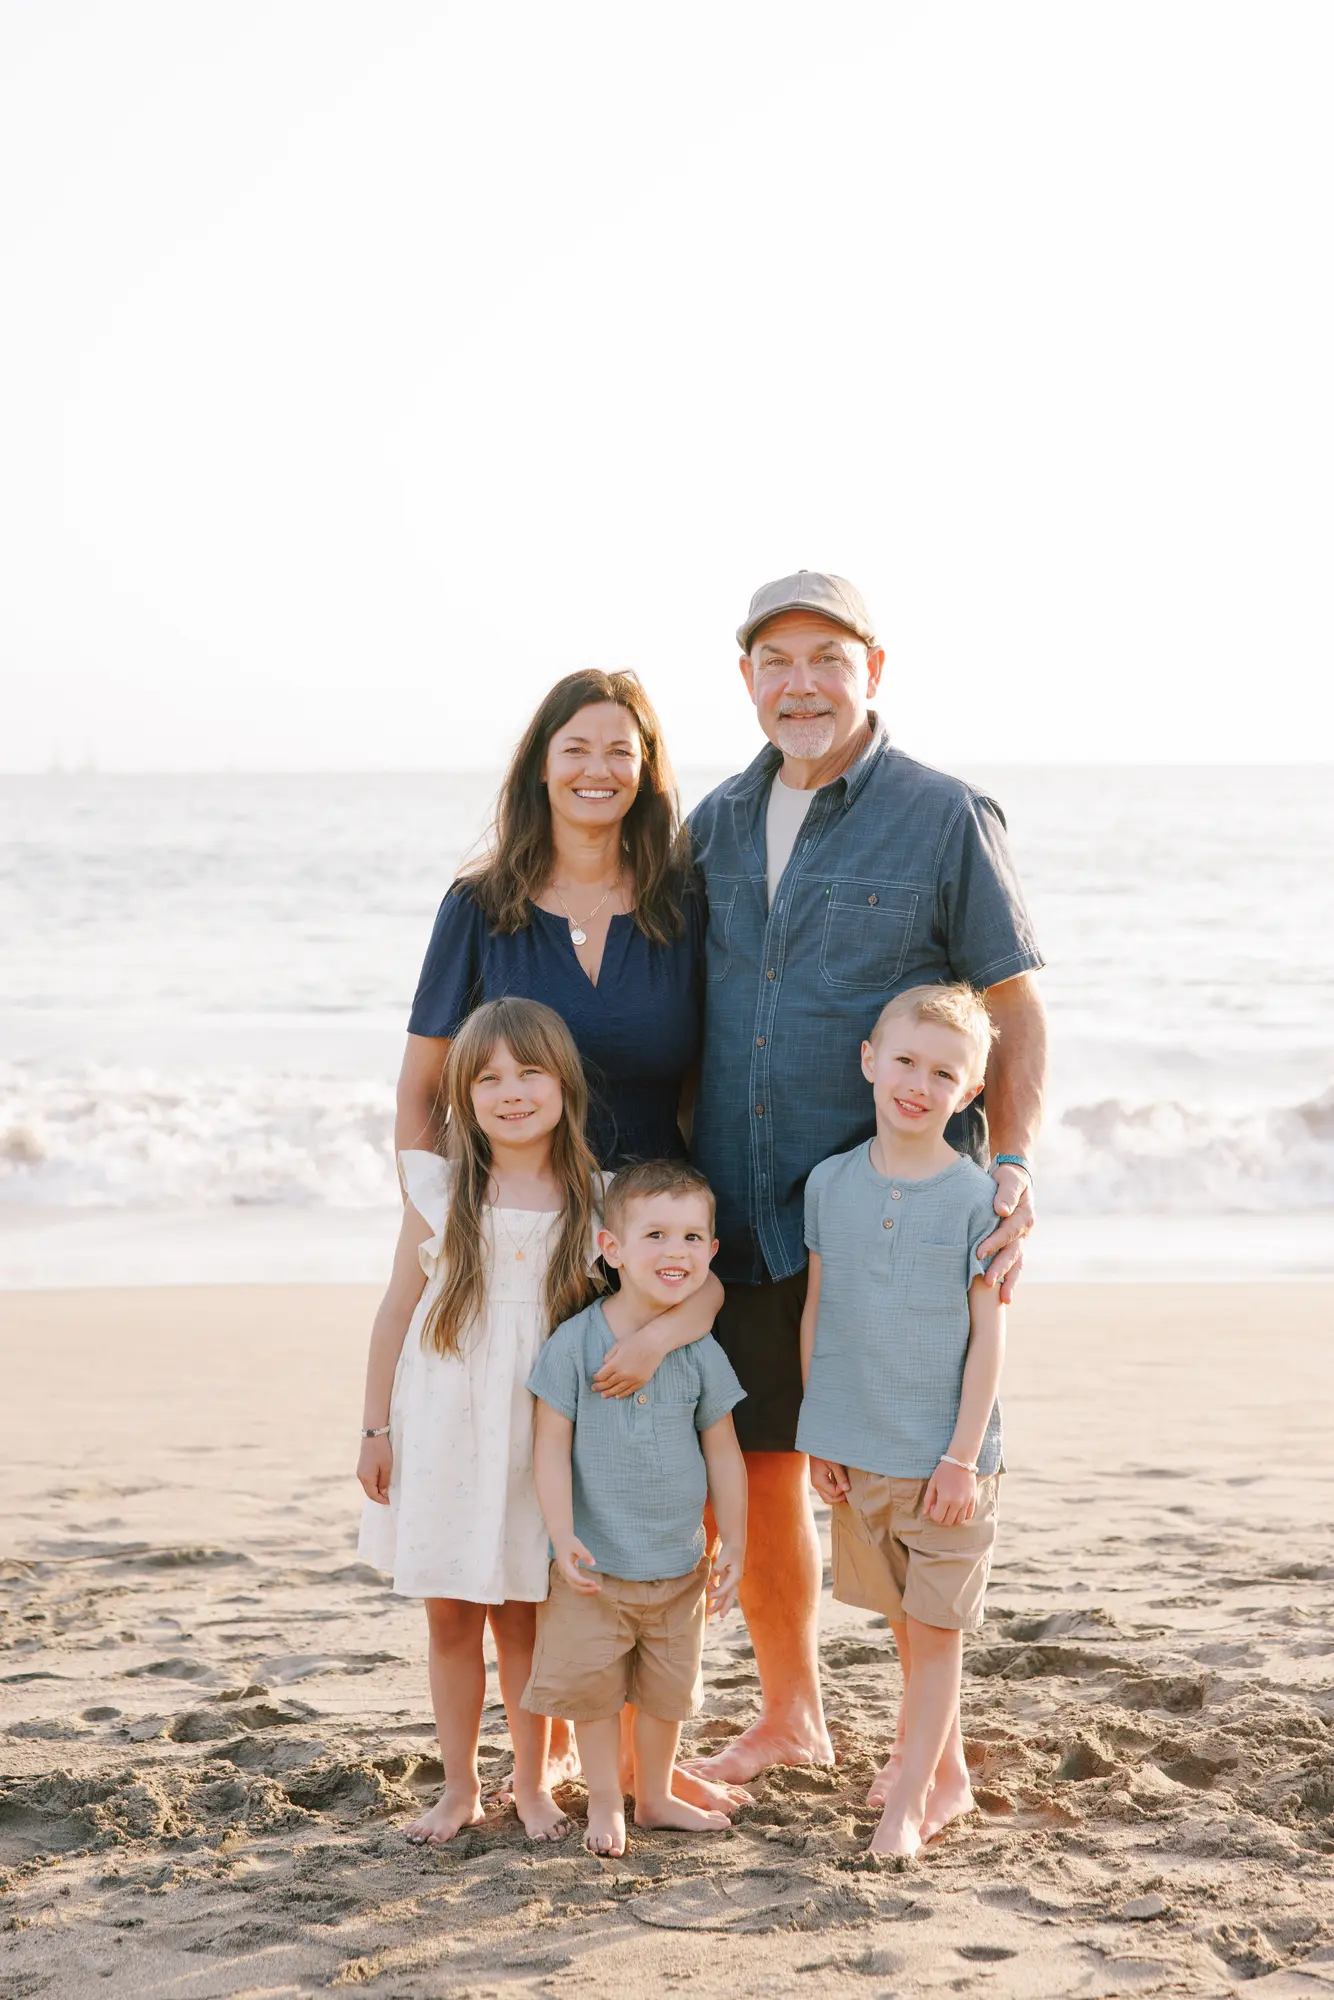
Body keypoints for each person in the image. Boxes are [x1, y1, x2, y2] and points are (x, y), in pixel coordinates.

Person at [686, 569, 1046, 1784]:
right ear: (745, 680)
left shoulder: (944, 815)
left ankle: (929, 1751)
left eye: (824, 658)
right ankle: (791, 1712)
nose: (799, 682)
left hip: (883, 1217)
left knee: (897, 1471)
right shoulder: (715, 823)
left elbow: (1012, 1008)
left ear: (871, 671)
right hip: (738, 1203)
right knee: (773, 1461)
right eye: (773, 660)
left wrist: (1008, 1164)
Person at [354, 998, 720, 1845]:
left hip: (543, 1433)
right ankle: (456, 1789)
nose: (510, 1092)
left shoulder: (598, 1196)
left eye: (529, 1073)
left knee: (524, 1609)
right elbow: (394, 1311)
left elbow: (700, 1285)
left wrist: (662, 1336)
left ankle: (529, 1782)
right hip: (444, 1421)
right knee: (450, 1613)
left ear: (564, 1085)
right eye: (487, 1078)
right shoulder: (440, 1186)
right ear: (462, 1094)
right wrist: (375, 1430)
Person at [799, 984, 1006, 1859]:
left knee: (936, 1634)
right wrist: (821, 1434)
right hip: (862, 1451)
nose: (919, 1083)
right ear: (869, 1061)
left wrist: (962, 1456)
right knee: (907, 1631)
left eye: (944, 1073)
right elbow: (820, 1313)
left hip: (948, 1462)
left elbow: (990, 1336)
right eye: (907, 1062)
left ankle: (908, 1806)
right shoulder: (829, 1183)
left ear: (969, 1093)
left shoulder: (979, 1199)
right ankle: (944, 1774)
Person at [525, 1160, 749, 1857]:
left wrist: (734, 1541)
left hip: (679, 1564)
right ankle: (604, 1803)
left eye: (690, 1237)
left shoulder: (699, 1352)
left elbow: (724, 1453)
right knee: (594, 1694)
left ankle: (653, 1796)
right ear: (612, 1248)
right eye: (655, 1234)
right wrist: (562, 1536)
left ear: (711, 1252)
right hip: (595, 1564)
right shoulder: (573, 1344)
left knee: (664, 1695)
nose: (674, 1252)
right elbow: (549, 1449)